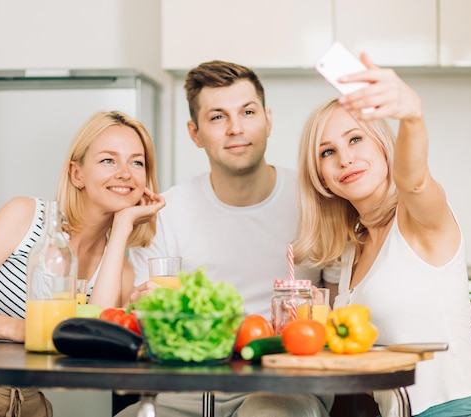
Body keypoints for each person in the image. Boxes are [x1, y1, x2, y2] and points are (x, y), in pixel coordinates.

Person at [293, 54, 471, 417]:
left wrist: (412, 115)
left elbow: (416, 180)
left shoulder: (420, 220)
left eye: (356, 139)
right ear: (321, 177)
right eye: (328, 152)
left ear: (382, 144)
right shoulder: (351, 252)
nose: (345, 159)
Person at [119, 60, 336, 417]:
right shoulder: (168, 210)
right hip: (186, 389)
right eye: (217, 117)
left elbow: (339, 301)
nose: (236, 128)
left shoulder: (315, 199)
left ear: (267, 120)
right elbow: (148, 319)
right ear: (195, 132)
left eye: (247, 112)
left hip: (285, 388)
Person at [0, 110, 165, 417]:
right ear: (76, 174)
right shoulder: (24, 216)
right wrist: (22, 329)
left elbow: (94, 346)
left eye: (137, 162)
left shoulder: (121, 269)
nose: (125, 172)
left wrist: (122, 228)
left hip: (28, 404)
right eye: (108, 160)